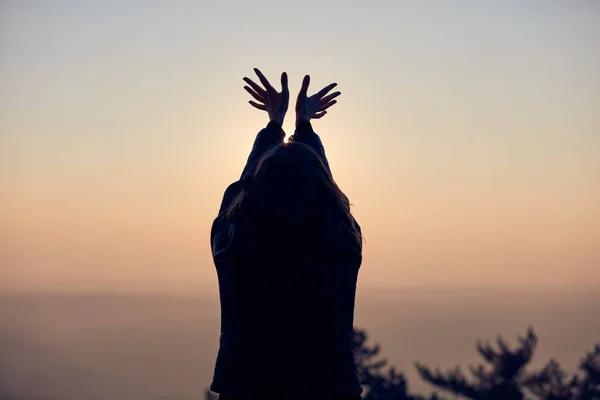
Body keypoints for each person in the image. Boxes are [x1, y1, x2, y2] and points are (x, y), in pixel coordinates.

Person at [209, 68, 363, 400]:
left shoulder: (233, 246)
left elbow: (235, 198)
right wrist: (304, 127)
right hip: (329, 390)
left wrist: (273, 127)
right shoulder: (341, 247)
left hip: (247, 388)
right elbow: (336, 205)